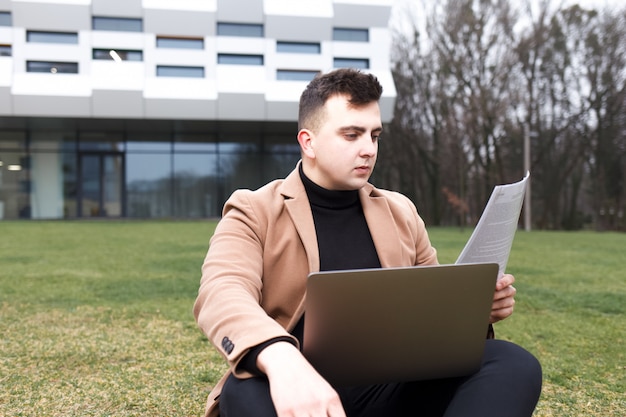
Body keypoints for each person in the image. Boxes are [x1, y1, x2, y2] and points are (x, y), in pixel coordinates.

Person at [193, 68, 542, 417]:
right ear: (308, 141)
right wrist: (282, 359)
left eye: (374, 135)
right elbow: (223, 292)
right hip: (289, 382)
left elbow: (433, 316)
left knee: (513, 363)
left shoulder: (401, 211)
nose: (368, 149)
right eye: (352, 135)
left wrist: (475, 312)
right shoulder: (253, 210)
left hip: (389, 388)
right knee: (244, 393)